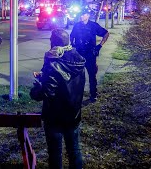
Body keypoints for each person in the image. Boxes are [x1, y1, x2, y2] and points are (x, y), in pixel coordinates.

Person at [31, 29, 86, 169]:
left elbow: (47, 92)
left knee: (55, 153)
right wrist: (44, 76)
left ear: (53, 42)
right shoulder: (79, 60)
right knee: (74, 150)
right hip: (74, 114)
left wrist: (36, 90)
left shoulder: (53, 62)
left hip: (54, 116)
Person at [70, 9, 109, 102]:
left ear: (87, 15)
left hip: (90, 54)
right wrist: (72, 45)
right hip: (79, 54)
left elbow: (106, 33)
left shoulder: (93, 26)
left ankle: (93, 94)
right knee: (77, 76)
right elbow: (72, 36)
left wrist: (99, 46)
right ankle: (77, 95)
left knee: (92, 75)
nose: (81, 16)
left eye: (83, 15)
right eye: (80, 15)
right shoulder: (77, 26)